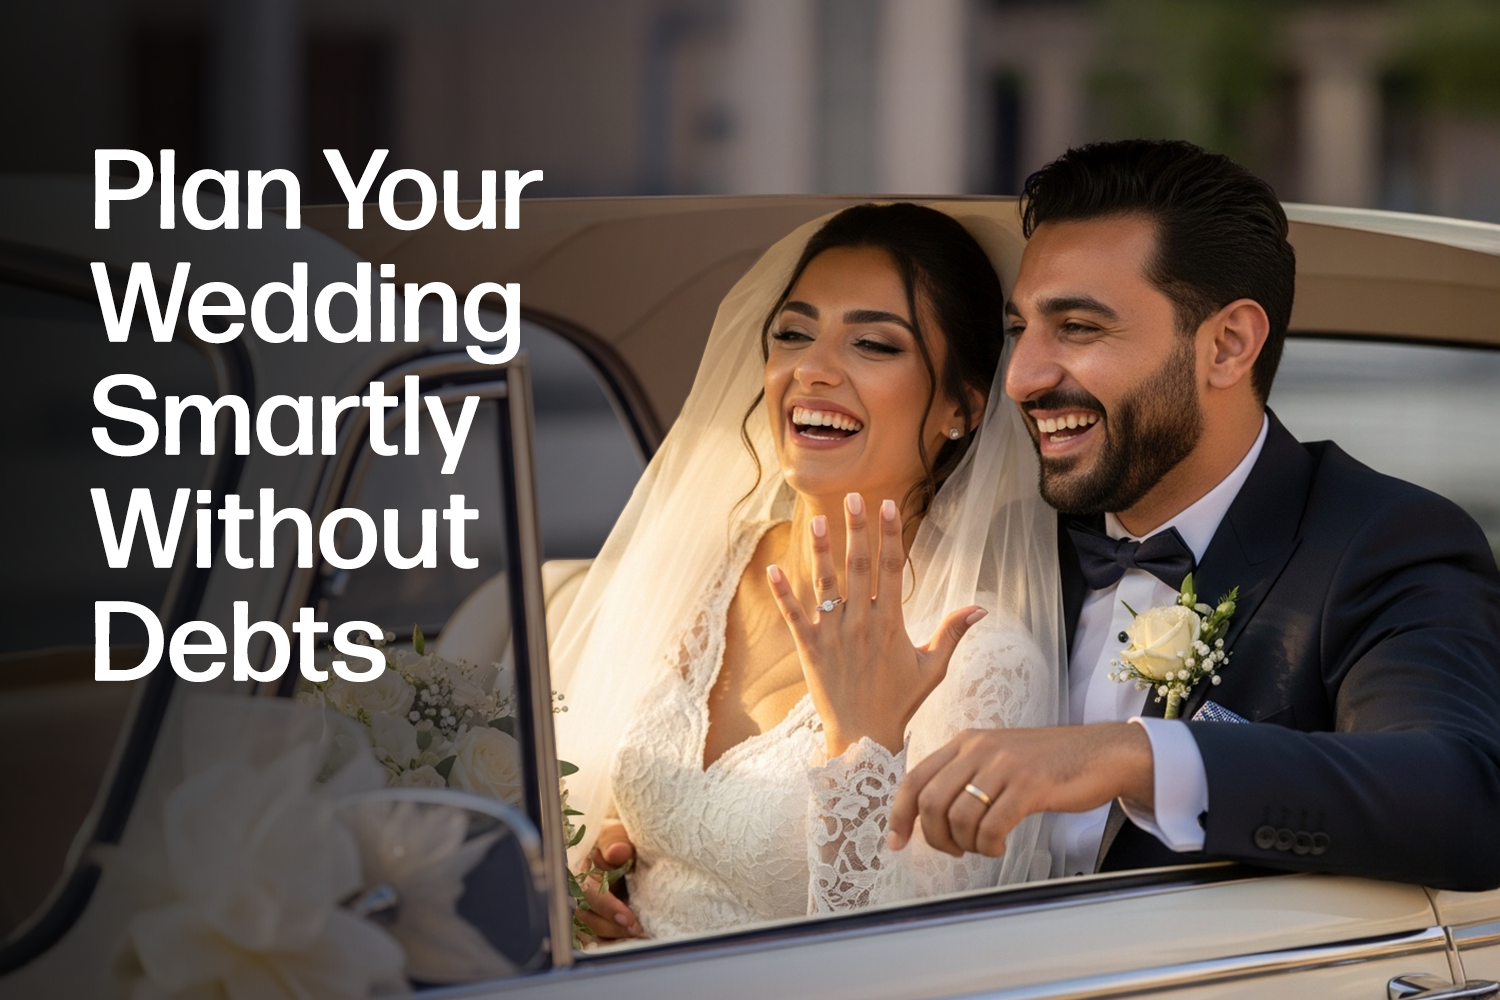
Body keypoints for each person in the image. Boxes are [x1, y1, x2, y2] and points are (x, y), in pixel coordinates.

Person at [882, 139, 1500, 890]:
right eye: (1020, 330)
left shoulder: (1385, 543)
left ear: (1228, 346)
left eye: (1077, 327)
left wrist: (1132, 755)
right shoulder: (996, 546)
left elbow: (1461, 802)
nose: (1023, 377)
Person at [550, 203, 1067, 941]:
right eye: (793, 334)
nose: (812, 370)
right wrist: (594, 867)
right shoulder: (695, 568)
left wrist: (865, 741)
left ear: (961, 407)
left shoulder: (980, 657)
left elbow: (920, 968)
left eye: (873, 345)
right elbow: (594, 800)